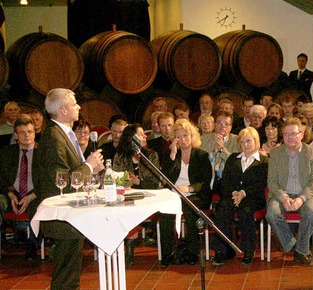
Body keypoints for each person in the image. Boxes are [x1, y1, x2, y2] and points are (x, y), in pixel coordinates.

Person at [33, 88, 105, 289]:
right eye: (75, 104)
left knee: (71, 274)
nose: (79, 106)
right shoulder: (54, 137)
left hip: (72, 215)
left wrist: (90, 168)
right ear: (63, 110)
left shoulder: (63, 134)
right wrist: (89, 165)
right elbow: (61, 180)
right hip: (63, 216)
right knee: (65, 276)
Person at [266, 117, 313, 266]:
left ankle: (302, 251)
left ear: (301, 135)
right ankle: (292, 244)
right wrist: (283, 197)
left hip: (307, 194)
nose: (290, 137)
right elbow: (271, 181)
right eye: (286, 134)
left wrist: (301, 198)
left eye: (293, 133)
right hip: (282, 194)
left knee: (311, 212)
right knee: (272, 213)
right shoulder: (275, 153)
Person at [158, 119, 212, 267]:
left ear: (192, 136)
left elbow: (205, 182)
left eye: (185, 135)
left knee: (189, 209)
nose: (182, 140)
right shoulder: (171, 155)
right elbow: (166, 178)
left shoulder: (201, 155)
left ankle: (193, 252)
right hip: (175, 195)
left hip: (195, 194)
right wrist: (172, 155)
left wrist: (189, 188)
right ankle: (167, 254)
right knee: (165, 213)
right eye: (178, 137)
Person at [212, 127, 268, 266]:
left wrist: (243, 193)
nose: (246, 144)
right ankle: (222, 250)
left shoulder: (264, 161)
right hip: (232, 195)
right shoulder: (232, 158)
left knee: (246, 211)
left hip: (253, 196)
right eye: (242, 142)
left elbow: (262, 183)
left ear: (256, 141)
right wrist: (234, 194)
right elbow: (225, 180)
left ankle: (248, 250)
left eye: (249, 141)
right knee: (223, 208)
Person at [113, 123, 161, 266]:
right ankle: (128, 248)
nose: (145, 136)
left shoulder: (151, 155)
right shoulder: (120, 156)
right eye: (140, 134)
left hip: (147, 195)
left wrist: (138, 181)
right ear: (131, 138)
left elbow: (156, 182)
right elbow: (116, 178)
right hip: (126, 195)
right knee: (125, 207)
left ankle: (130, 247)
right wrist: (126, 181)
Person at [0, 116, 39, 260]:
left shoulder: (43, 153)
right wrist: (10, 194)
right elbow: (1, 177)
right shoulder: (6, 152)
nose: (27, 135)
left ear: (34, 133)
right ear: (16, 135)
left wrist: (30, 196)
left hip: (35, 193)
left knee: (40, 205)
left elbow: (46, 180)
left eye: (30, 131)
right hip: (11, 193)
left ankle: (32, 244)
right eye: (22, 132)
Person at [202, 112, 240, 184]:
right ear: (215, 124)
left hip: (228, 179)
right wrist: (213, 153)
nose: (222, 126)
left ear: (231, 127)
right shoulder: (204, 139)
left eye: (226, 124)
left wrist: (222, 149)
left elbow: (235, 163)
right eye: (219, 123)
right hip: (207, 177)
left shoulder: (237, 140)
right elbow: (201, 162)